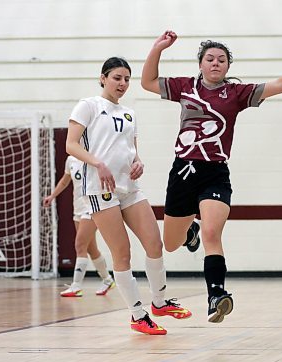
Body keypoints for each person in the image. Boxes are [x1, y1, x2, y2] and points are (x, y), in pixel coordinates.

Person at [141, 30, 282, 323]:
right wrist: (158, 49)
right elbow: (148, 82)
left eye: (221, 60)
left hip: (215, 172)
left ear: (228, 66)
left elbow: (279, 85)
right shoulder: (185, 87)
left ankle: (216, 296)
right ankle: (188, 229)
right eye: (210, 59)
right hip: (183, 170)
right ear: (201, 64)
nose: (216, 63)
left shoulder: (236, 93)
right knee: (171, 244)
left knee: (213, 234)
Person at [66, 57, 192, 335]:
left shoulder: (129, 113)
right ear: (103, 78)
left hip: (129, 188)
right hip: (101, 190)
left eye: (126, 79)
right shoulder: (88, 106)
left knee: (155, 244)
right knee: (122, 253)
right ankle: (137, 314)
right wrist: (97, 163)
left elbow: (132, 151)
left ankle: (159, 302)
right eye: (116, 78)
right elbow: (71, 145)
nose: (122, 83)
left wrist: (139, 163)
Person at [43, 155, 115, 297]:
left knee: (80, 245)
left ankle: (76, 286)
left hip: (92, 207)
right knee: (90, 248)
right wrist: (52, 196)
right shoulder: (70, 159)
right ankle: (107, 279)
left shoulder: (96, 156)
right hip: (78, 209)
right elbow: (65, 181)